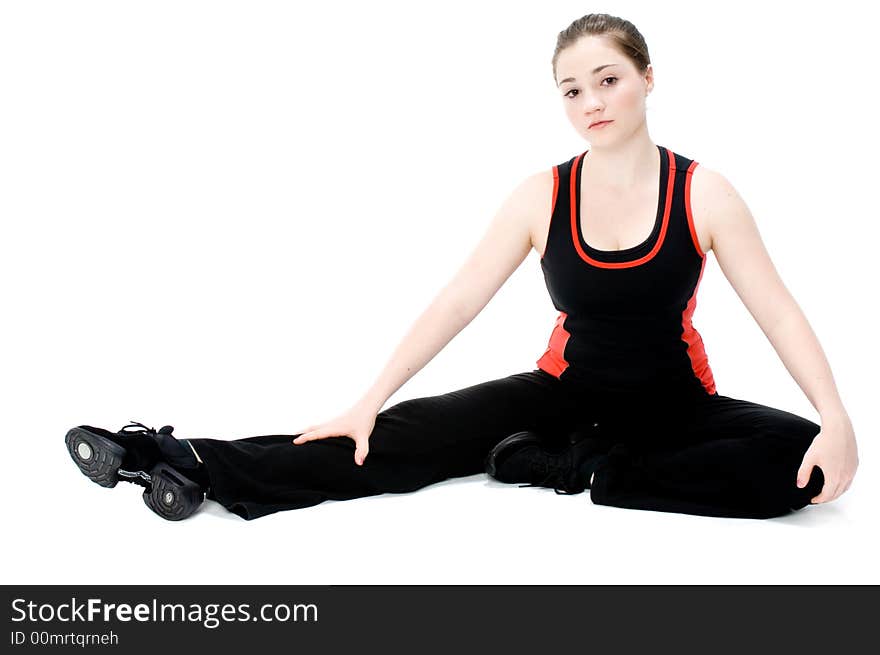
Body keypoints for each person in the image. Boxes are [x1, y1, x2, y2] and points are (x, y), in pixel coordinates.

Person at [64, 13, 858, 522]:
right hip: (557, 394)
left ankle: (593, 472)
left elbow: (778, 310)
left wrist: (837, 420)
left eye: (609, 79)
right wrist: (370, 399)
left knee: (798, 465)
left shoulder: (705, 191)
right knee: (393, 443)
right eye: (572, 89)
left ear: (649, 80)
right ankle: (177, 460)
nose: (592, 102)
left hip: (677, 408)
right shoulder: (540, 195)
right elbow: (457, 302)